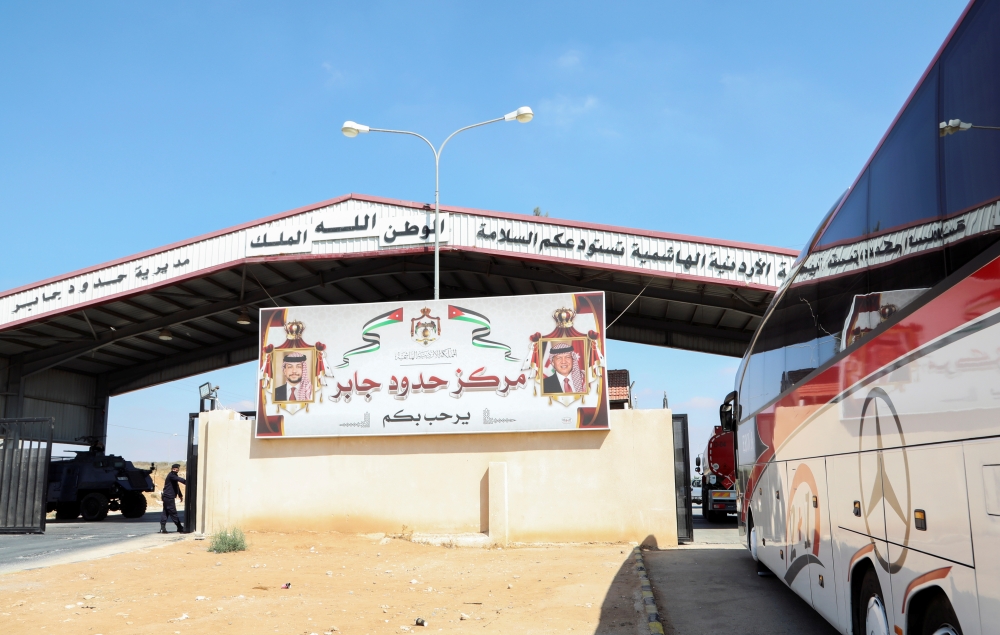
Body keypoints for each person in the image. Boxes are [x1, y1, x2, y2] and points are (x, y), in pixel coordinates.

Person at [159, 463, 187, 534]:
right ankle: (179, 527)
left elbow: (176, 486)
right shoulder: (171, 475)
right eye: (175, 469)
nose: (176, 470)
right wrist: (188, 482)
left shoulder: (174, 476)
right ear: (172, 469)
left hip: (168, 497)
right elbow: (180, 479)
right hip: (168, 497)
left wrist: (180, 495)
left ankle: (162, 528)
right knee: (173, 512)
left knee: (166, 512)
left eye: (177, 469)